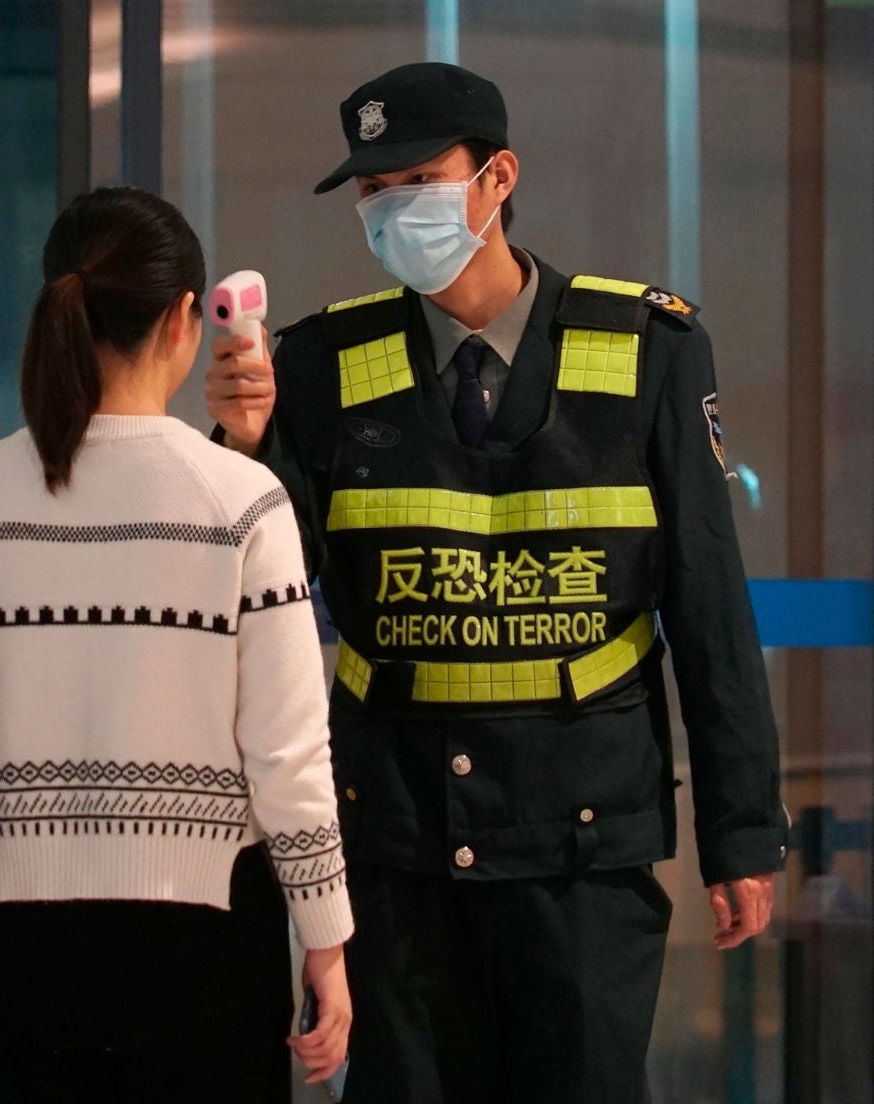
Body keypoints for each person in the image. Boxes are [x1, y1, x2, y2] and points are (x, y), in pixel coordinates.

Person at [207, 62, 788, 1104]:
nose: (390, 211)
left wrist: (741, 830)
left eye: (416, 180)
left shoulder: (646, 348)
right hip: (396, 840)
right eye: (371, 194)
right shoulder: (324, 365)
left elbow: (706, 600)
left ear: (496, 177)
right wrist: (243, 446)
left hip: (583, 844)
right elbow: (266, 593)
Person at [0, 186, 354, 1104]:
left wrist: (34, 709)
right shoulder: (242, 500)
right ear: (185, 317)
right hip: (212, 924)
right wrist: (326, 938)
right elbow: (289, 756)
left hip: (29, 928)